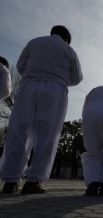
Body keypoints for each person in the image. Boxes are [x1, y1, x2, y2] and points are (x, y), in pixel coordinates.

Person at [0, 25, 83, 194]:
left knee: (19, 131)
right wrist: (58, 76)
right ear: (66, 38)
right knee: (47, 133)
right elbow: (76, 78)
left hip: (28, 86)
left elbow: (21, 65)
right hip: (54, 89)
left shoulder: (34, 42)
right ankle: (34, 181)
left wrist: (34, 74)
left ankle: (10, 180)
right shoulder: (69, 50)